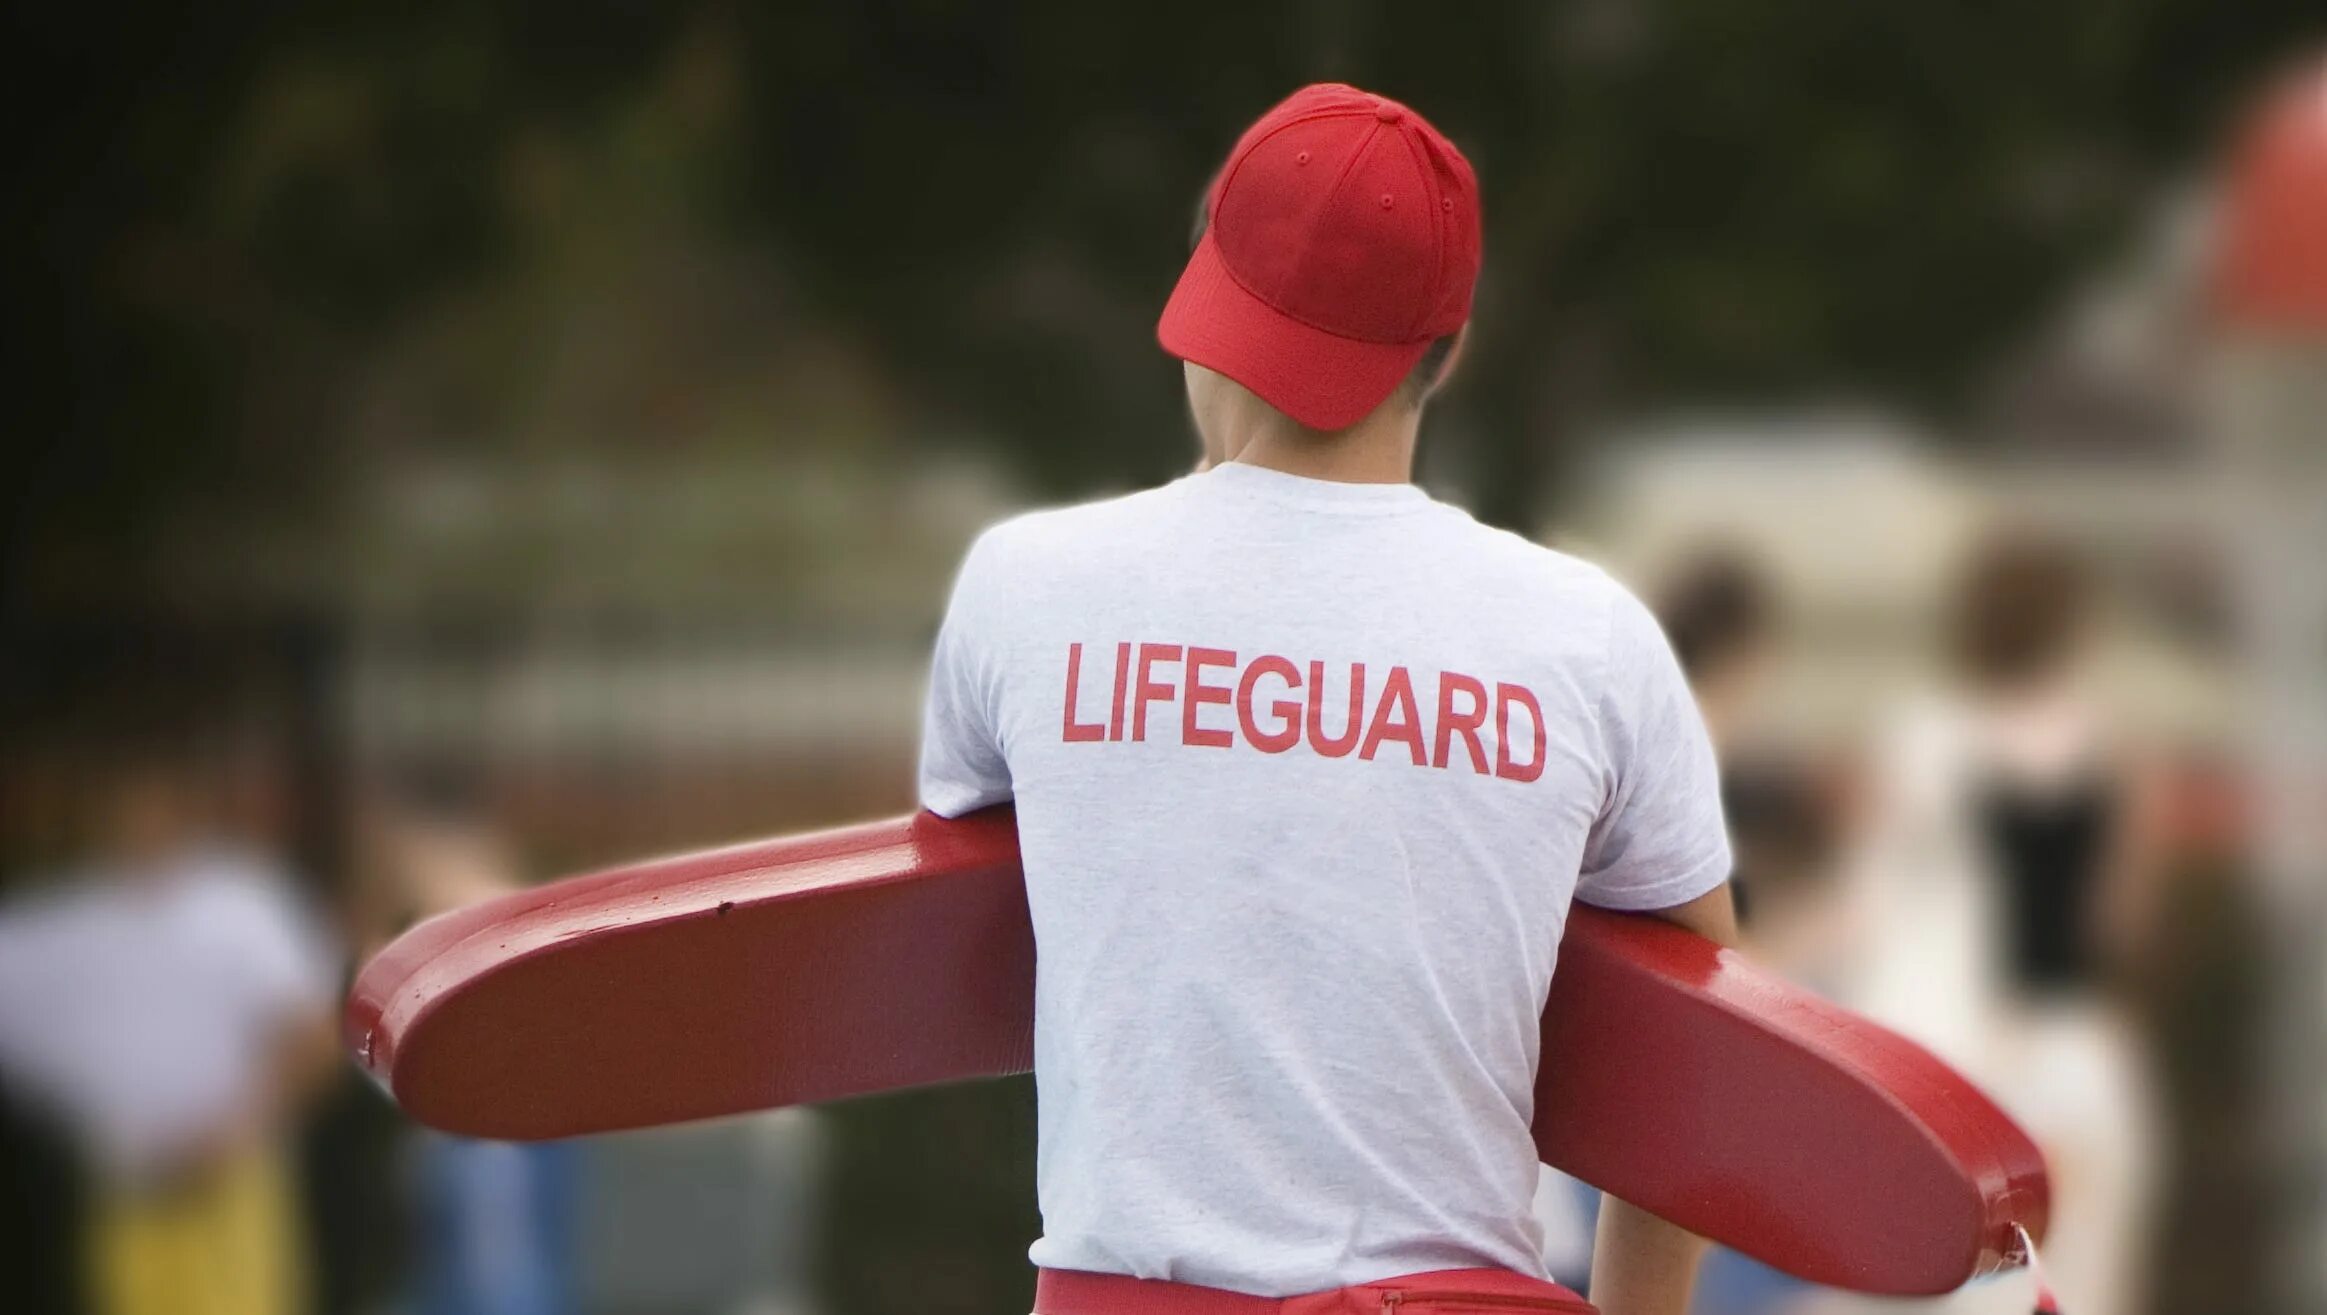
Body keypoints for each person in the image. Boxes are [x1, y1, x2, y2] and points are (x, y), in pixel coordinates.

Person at [918, 84, 1737, 1315]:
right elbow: (1703, 1042)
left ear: (1203, 304)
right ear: (1448, 349)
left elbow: (991, 887)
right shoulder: (1593, 640)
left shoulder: (1026, 589)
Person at [1828, 530, 2162, 1315]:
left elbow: (1868, 899)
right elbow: (2119, 921)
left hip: (1949, 1051)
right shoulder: (2114, 753)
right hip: (2073, 1045)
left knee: (1946, 1288)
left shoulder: (1920, 738)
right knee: (2078, 1283)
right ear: (2071, 632)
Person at [0, 738, 341, 1315]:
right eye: (124, 805)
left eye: (153, 803)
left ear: (183, 810)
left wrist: (237, 1125)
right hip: (128, 1186)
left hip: (230, 1181)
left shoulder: (243, 906)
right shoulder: (57, 922)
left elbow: (314, 1034)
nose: (139, 820)